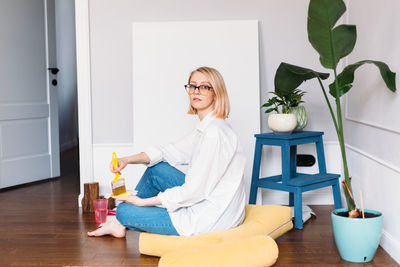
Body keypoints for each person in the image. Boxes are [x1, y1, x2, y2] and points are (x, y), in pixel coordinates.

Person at [88, 66, 246, 237]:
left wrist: (142, 203)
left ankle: (119, 221)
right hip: (207, 199)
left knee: (124, 212)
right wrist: (126, 160)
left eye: (204, 87)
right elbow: (168, 151)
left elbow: (194, 191)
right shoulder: (208, 127)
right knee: (157, 169)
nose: (196, 92)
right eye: (193, 86)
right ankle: (118, 224)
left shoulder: (214, 134)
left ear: (216, 93)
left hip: (211, 217)